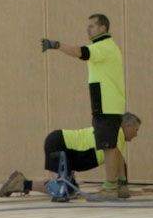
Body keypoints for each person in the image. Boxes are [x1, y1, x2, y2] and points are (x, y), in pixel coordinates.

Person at [40, 13, 130, 196]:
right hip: (109, 103)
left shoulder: (104, 47)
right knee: (112, 145)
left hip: (106, 104)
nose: (87, 29)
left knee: (108, 147)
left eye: (92, 26)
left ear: (103, 28)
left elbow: (82, 52)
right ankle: (120, 185)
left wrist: (56, 45)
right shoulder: (108, 47)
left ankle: (110, 187)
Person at [0, 113, 142, 200]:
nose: (136, 134)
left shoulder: (117, 136)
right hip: (59, 142)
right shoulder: (116, 134)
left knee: (69, 190)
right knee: (61, 191)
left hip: (64, 145)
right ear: (127, 125)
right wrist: (120, 188)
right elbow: (118, 162)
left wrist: (123, 187)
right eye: (136, 130)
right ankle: (21, 183)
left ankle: (22, 183)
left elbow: (119, 162)